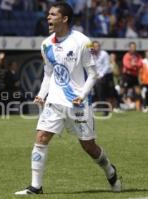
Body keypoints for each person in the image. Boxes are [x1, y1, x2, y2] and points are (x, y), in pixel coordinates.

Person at [15, 2, 121, 195]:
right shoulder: (46, 44)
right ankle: (35, 187)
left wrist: (82, 95)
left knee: (89, 146)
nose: (48, 17)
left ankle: (110, 170)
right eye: (48, 14)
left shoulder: (82, 41)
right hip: (54, 101)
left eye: (53, 14)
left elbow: (93, 73)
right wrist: (41, 94)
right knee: (41, 138)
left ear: (64, 19)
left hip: (78, 104)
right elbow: (49, 73)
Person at [92, 41, 117, 112]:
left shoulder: (104, 54)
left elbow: (106, 66)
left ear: (99, 47)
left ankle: (110, 107)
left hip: (107, 75)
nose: (96, 48)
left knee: (110, 92)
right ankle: (102, 107)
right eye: (94, 46)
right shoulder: (91, 55)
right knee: (98, 89)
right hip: (97, 76)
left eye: (97, 46)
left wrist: (101, 75)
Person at [121, 42, 143, 111]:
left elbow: (140, 64)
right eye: (132, 47)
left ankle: (138, 107)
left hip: (134, 76)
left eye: (134, 47)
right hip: (127, 76)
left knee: (138, 91)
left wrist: (134, 64)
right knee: (123, 90)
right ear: (129, 48)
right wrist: (134, 65)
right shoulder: (126, 55)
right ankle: (118, 106)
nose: (133, 48)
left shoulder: (138, 56)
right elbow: (126, 65)